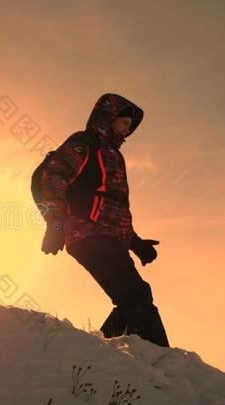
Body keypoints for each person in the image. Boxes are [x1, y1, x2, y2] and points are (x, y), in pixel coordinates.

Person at [39, 93, 169, 347]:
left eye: (130, 126)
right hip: (87, 234)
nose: (127, 129)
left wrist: (136, 243)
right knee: (137, 295)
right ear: (108, 118)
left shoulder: (115, 156)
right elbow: (53, 179)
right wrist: (54, 226)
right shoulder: (84, 143)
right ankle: (161, 359)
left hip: (107, 237)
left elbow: (113, 209)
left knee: (131, 298)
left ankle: (101, 353)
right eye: (123, 122)